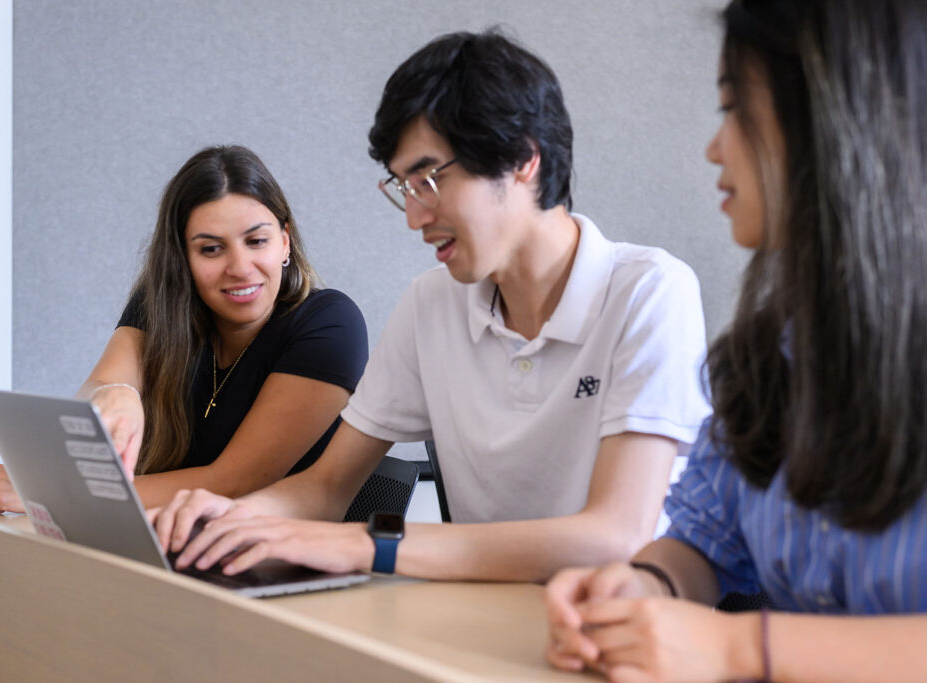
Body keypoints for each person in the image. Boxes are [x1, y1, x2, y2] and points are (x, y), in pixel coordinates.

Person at [150, 30, 710, 584]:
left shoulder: (650, 291)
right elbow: (325, 488)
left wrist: (368, 546)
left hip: (622, 637)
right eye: (403, 187)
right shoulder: (431, 304)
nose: (414, 217)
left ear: (522, 159)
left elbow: (615, 537)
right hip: (472, 624)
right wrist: (223, 520)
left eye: (430, 180)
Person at [546, 1, 927, 680]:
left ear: (834, 117)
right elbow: (702, 542)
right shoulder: (773, 352)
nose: (714, 147)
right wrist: (641, 590)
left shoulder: (649, 285)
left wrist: (737, 648)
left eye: (733, 107)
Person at [0, 145, 368, 513]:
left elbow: (231, 483)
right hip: (173, 550)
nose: (240, 267)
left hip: (287, 568)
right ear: (182, 259)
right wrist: (117, 393)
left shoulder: (331, 322)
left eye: (256, 241)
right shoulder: (160, 307)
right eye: (211, 248)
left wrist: (48, 490)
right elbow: (95, 398)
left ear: (285, 242)